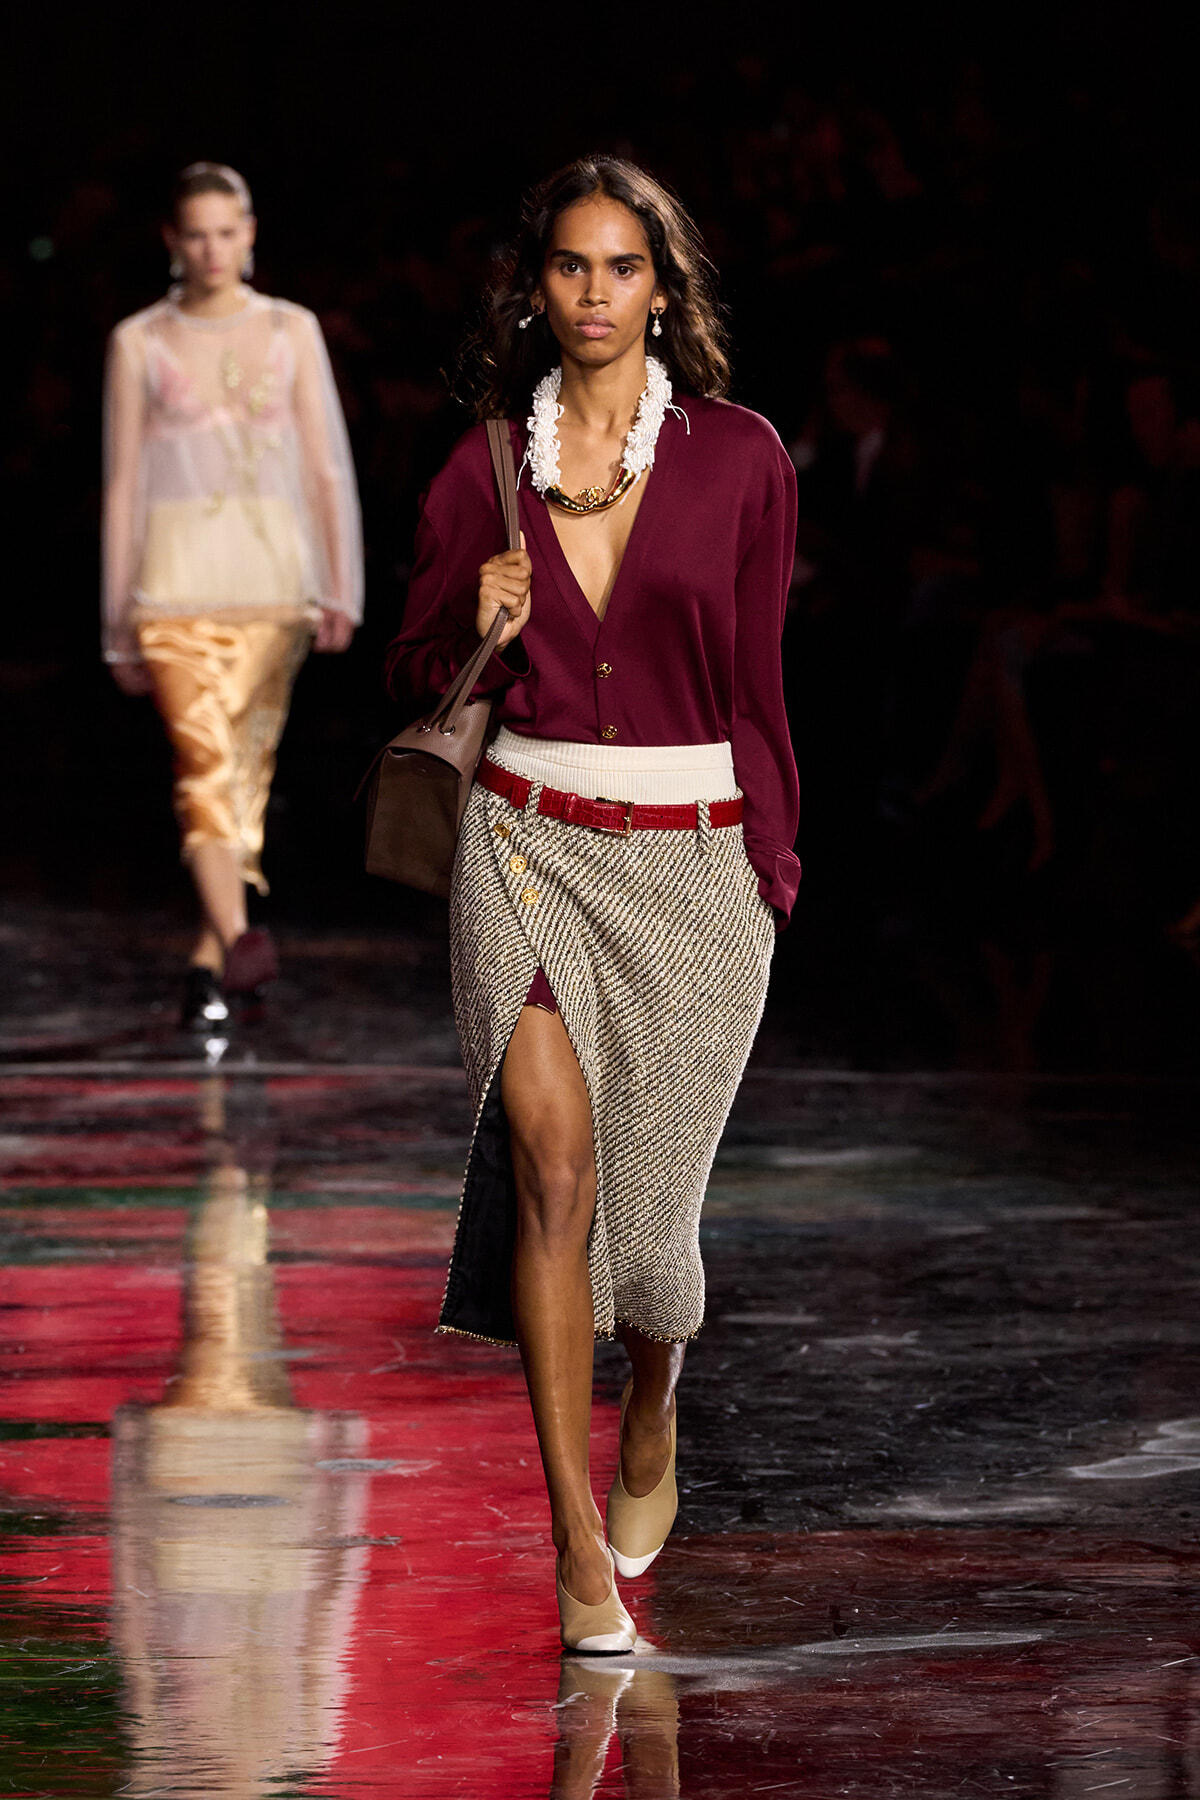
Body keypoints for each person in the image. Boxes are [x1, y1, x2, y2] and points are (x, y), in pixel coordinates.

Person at [388, 156, 799, 1654]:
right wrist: (477, 624)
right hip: (528, 849)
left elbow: (760, 685)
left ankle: (655, 1411)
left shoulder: (745, 457)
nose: (595, 293)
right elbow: (406, 669)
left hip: (696, 864)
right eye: (569, 266)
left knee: (652, 1243)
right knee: (554, 1178)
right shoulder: (481, 466)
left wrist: (771, 873)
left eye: (622, 266)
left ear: (663, 288)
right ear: (537, 289)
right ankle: (573, 1551)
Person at [102, 162, 363, 1027]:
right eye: (196, 233)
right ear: (173, 242)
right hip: (172, 587)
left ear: (250, 233)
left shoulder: (293, 330)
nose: (214, 248)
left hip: (276, 583)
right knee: (204, 765)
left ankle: (211, 962)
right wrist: (116, 620)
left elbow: (327, 468)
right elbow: (123, 483)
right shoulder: (139, 340)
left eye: (228, 230)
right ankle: (242, 937)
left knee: (244, 770)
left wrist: (340, 583)